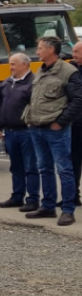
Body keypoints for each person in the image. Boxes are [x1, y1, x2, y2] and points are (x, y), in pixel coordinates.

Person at [23, 36, 82, 226]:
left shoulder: (68, 72)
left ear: (50, 50)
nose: (37, 52)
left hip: (55, 129)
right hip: (37, 127)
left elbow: (77, 101)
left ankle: (67, 210)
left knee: (65, 169)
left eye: (40, 48)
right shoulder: (41, 70)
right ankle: (47, 206)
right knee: (44, 168)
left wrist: (61, 122)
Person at [0, 53, 40, 212]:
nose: (11, 67)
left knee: (31, 166)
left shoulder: (34, 83)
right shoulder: (6, 83)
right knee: (16, 166)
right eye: (10, 64)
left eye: (14, 64)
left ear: (25, 65)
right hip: (10, 131)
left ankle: (33, 199)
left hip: (27, 131)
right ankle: (17, 196)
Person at [71, 41, 82, 207]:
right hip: (76, 123)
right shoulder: (73, 70)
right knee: (74, 159)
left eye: (76, 52)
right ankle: (73, 195)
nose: (73, 55)